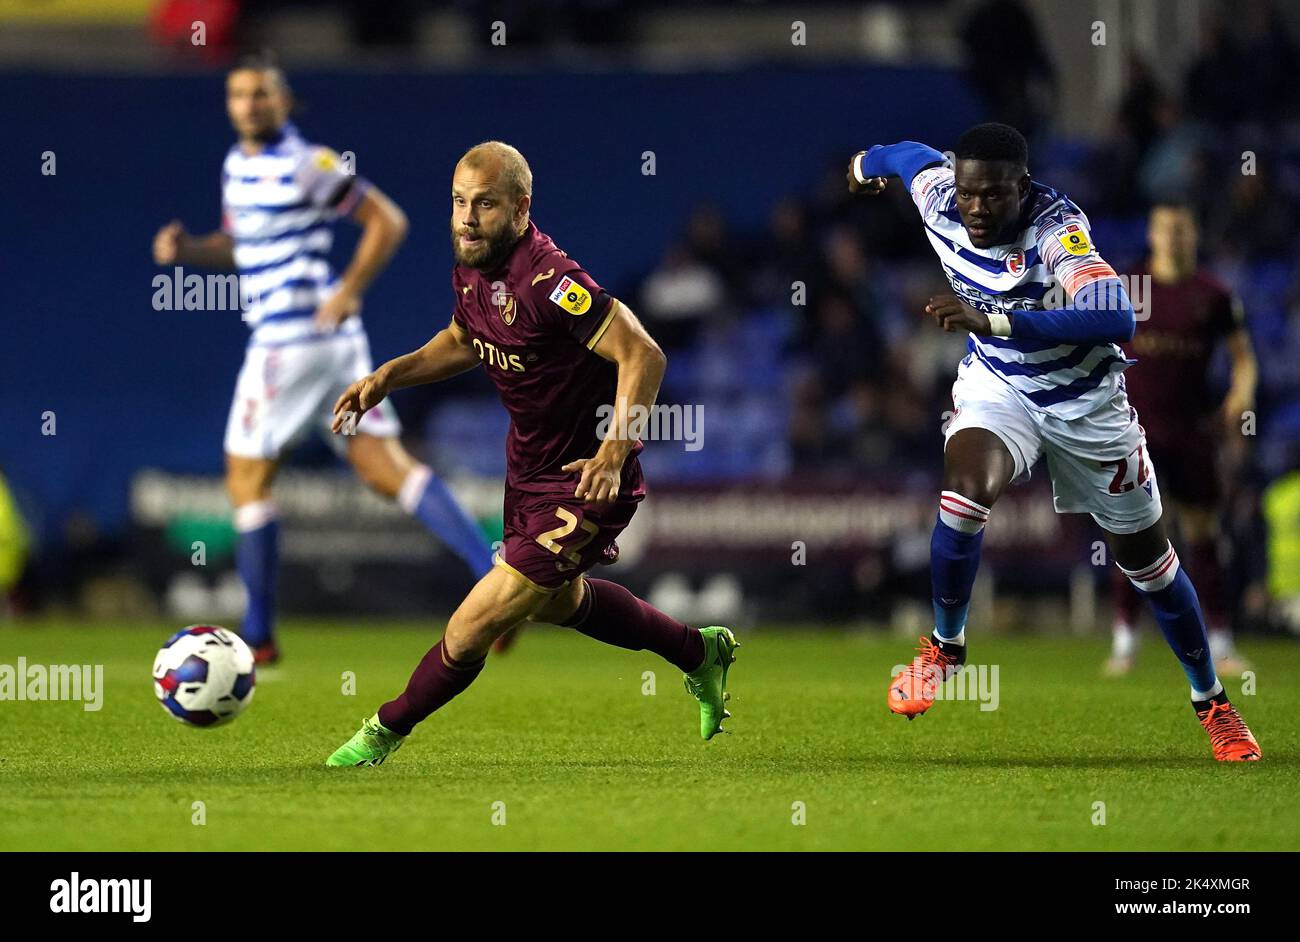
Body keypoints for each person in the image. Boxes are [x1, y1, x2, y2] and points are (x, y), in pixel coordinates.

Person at [847, 123, 1260, 761]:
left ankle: (1213, 704)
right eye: (968, 194)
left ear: (1024, 188)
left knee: (1149, 563)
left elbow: (1117, 315)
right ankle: (945, 648)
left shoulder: (1055, 228)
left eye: (994, 197)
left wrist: (998, 318)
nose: (977, 209)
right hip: (1000, 388)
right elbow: (906, 155)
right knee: (964, 493)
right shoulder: (939, 195)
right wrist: (863, 163)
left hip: (1087, 403)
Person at [325, 142, 737, 767]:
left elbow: (643, 353)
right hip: (528, 472)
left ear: (521, 208)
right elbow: (466, 339)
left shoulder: (551, 281)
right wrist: (390, 376)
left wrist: (612, 451)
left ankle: (382, 731)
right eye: (459, 202)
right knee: (564, 604)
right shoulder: (473, 263)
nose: (465, 219)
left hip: (585, 478)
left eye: (484, 205)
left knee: (471, 628)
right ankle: (698, 652)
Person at [151, 58, 495, 664]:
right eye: (238, 94)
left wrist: (351, 287)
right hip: (333, 346)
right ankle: (489, 574)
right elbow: (243, 246)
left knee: (246, 479)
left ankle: (257, 634)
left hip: (291, 341)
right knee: (385, 469)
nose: (249, 103)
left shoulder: (309, 164)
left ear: (285, 102)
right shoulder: (239, 167)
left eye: (261, 93)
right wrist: (191, 250)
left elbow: (386, 221)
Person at [1105, 204, 1256, 677]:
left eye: (1182, 227)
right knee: (1134, 538)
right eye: (1165, 227)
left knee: (1203, 534)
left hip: (1192, 432)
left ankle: (1222, 643)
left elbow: (1244, 358)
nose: (1173, 236)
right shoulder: (1127, 287)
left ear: (1194, 232)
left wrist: (1239, 396)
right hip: (1133, 432)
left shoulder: (1213, 295)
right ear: (1151, 232)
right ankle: (1125, 643)